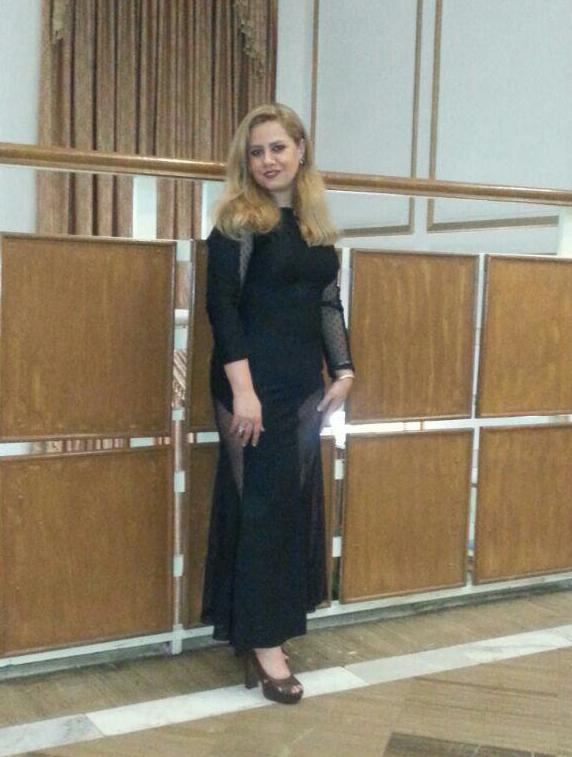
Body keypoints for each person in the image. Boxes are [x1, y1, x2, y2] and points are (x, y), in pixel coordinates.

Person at [200, 103, 354, 705]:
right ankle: (265, 644)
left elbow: (327, 303)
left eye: (277, 148)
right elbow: (223, 309)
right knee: (262, 510)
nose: (267, 160)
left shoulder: (314, 227)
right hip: (249, 385)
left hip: (301, 387)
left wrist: (343, 369)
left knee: (286, 508)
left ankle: (263, 626)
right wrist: (244, 392)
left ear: (301, 150)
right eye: (257, 151)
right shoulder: (237, 222)